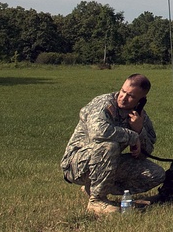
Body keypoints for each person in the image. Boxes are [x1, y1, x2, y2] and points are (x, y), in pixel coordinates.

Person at [61, 73, 166, 215]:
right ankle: (96, 200)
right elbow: (98, 132)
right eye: (123, 91)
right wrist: (132, 136)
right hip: (77, 164)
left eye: (131, 96)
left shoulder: (139, 116)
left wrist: (140, 129)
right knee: (109, 146)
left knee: (156, 174)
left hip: (107, 162)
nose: (123, 97)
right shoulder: (103, 104)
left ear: (142, 100)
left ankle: (95, 188)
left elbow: (146, 151)